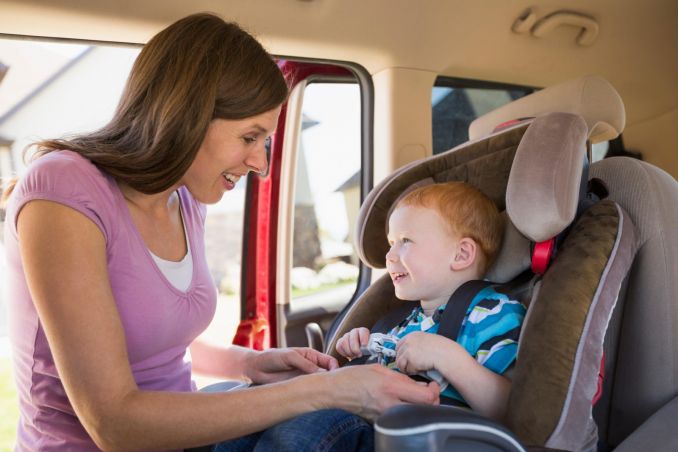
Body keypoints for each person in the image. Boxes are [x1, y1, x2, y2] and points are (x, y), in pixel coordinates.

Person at [3, 13, 439, 451]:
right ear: (186, 116)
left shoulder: (185, 200)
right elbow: (113, 423)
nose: (261, 165)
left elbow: (153, 341)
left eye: (264, 142)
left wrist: (249, 363)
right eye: (250, 137)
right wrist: (326, 390)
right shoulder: (63, 191)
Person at [214, 181, 526, 451]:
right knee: (257, 415)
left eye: (405, 241)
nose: (389, 255)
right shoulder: (405, 319)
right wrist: (364, 349)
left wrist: (449, 357)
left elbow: (510, 407)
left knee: (305, 429)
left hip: (428, 434)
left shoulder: (494, 312)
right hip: (369, 423)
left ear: (461, 255)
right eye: (392, 243)